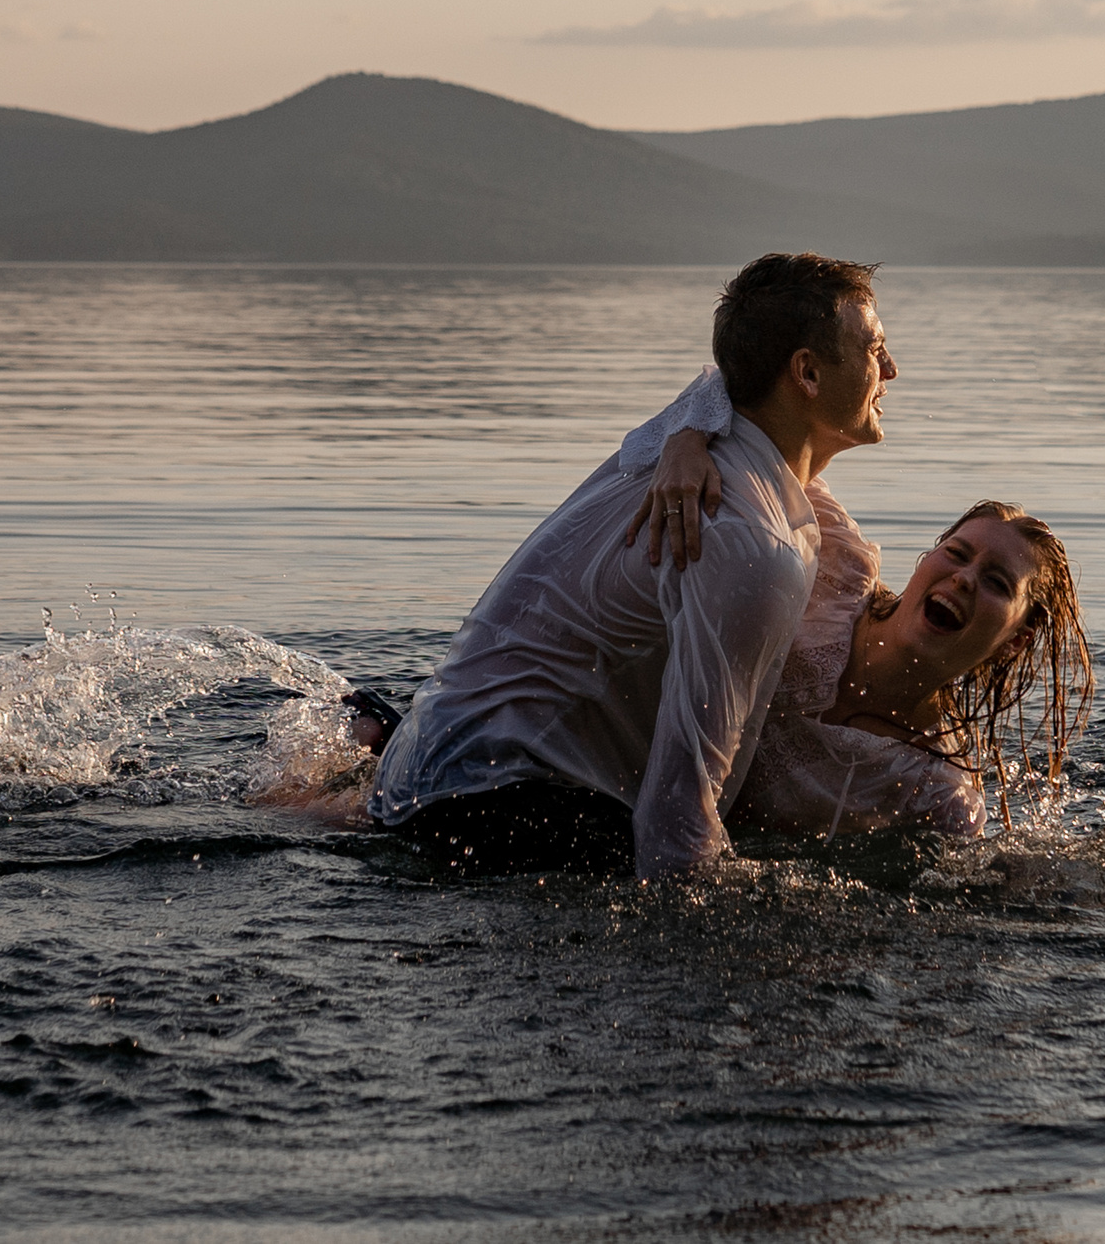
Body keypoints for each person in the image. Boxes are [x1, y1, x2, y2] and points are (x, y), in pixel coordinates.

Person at [364, 252, 895, 879]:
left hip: (424, 757)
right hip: (487, 808)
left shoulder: (705, 444)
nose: (889, 368)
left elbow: (717, 383)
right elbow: (676, 821)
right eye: (874, 348)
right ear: (805, 373)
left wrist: (688, 433)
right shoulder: (751, 541)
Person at [620, 382, 1091, 837]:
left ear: (1016, 641)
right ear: (926, 560)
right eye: (957, 553)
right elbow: (739, 391)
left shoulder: (935, 791)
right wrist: (686, 442)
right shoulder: (835, 560)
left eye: (996, 582)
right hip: (611, 771)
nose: (965, 578)